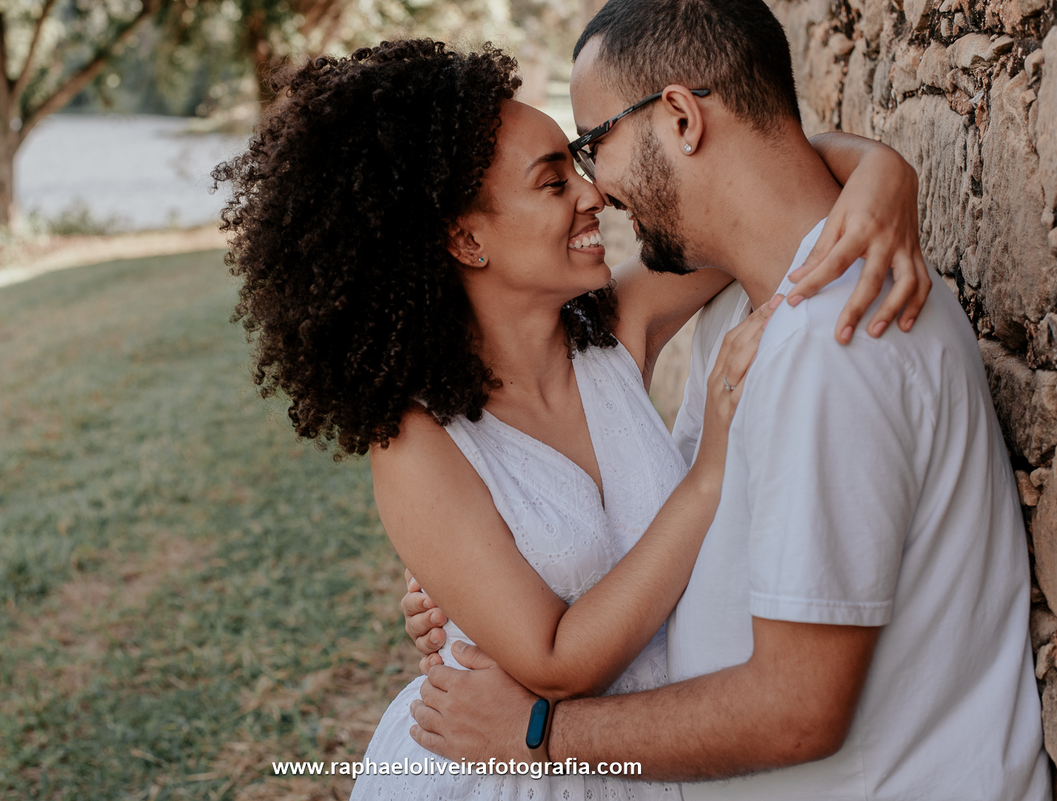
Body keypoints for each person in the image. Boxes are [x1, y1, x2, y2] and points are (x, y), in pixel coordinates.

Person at [213, 39, 930, 800]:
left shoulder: (617, 328)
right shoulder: (418, 444)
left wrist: (885, 172)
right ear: (466, 238)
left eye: (578, 168)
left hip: (650, 753)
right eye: (554, 182)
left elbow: (762, 201)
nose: (594, 195)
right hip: (506, 772)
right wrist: (711, 472)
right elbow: (552, 657)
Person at [403, 1, 1050, 799]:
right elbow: (777, 187)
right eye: (559, 171)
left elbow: (795, 713)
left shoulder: (823, 342)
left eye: (591, 146)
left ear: (679, 115)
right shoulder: (751, 306)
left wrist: (536, 733)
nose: (596, 188)